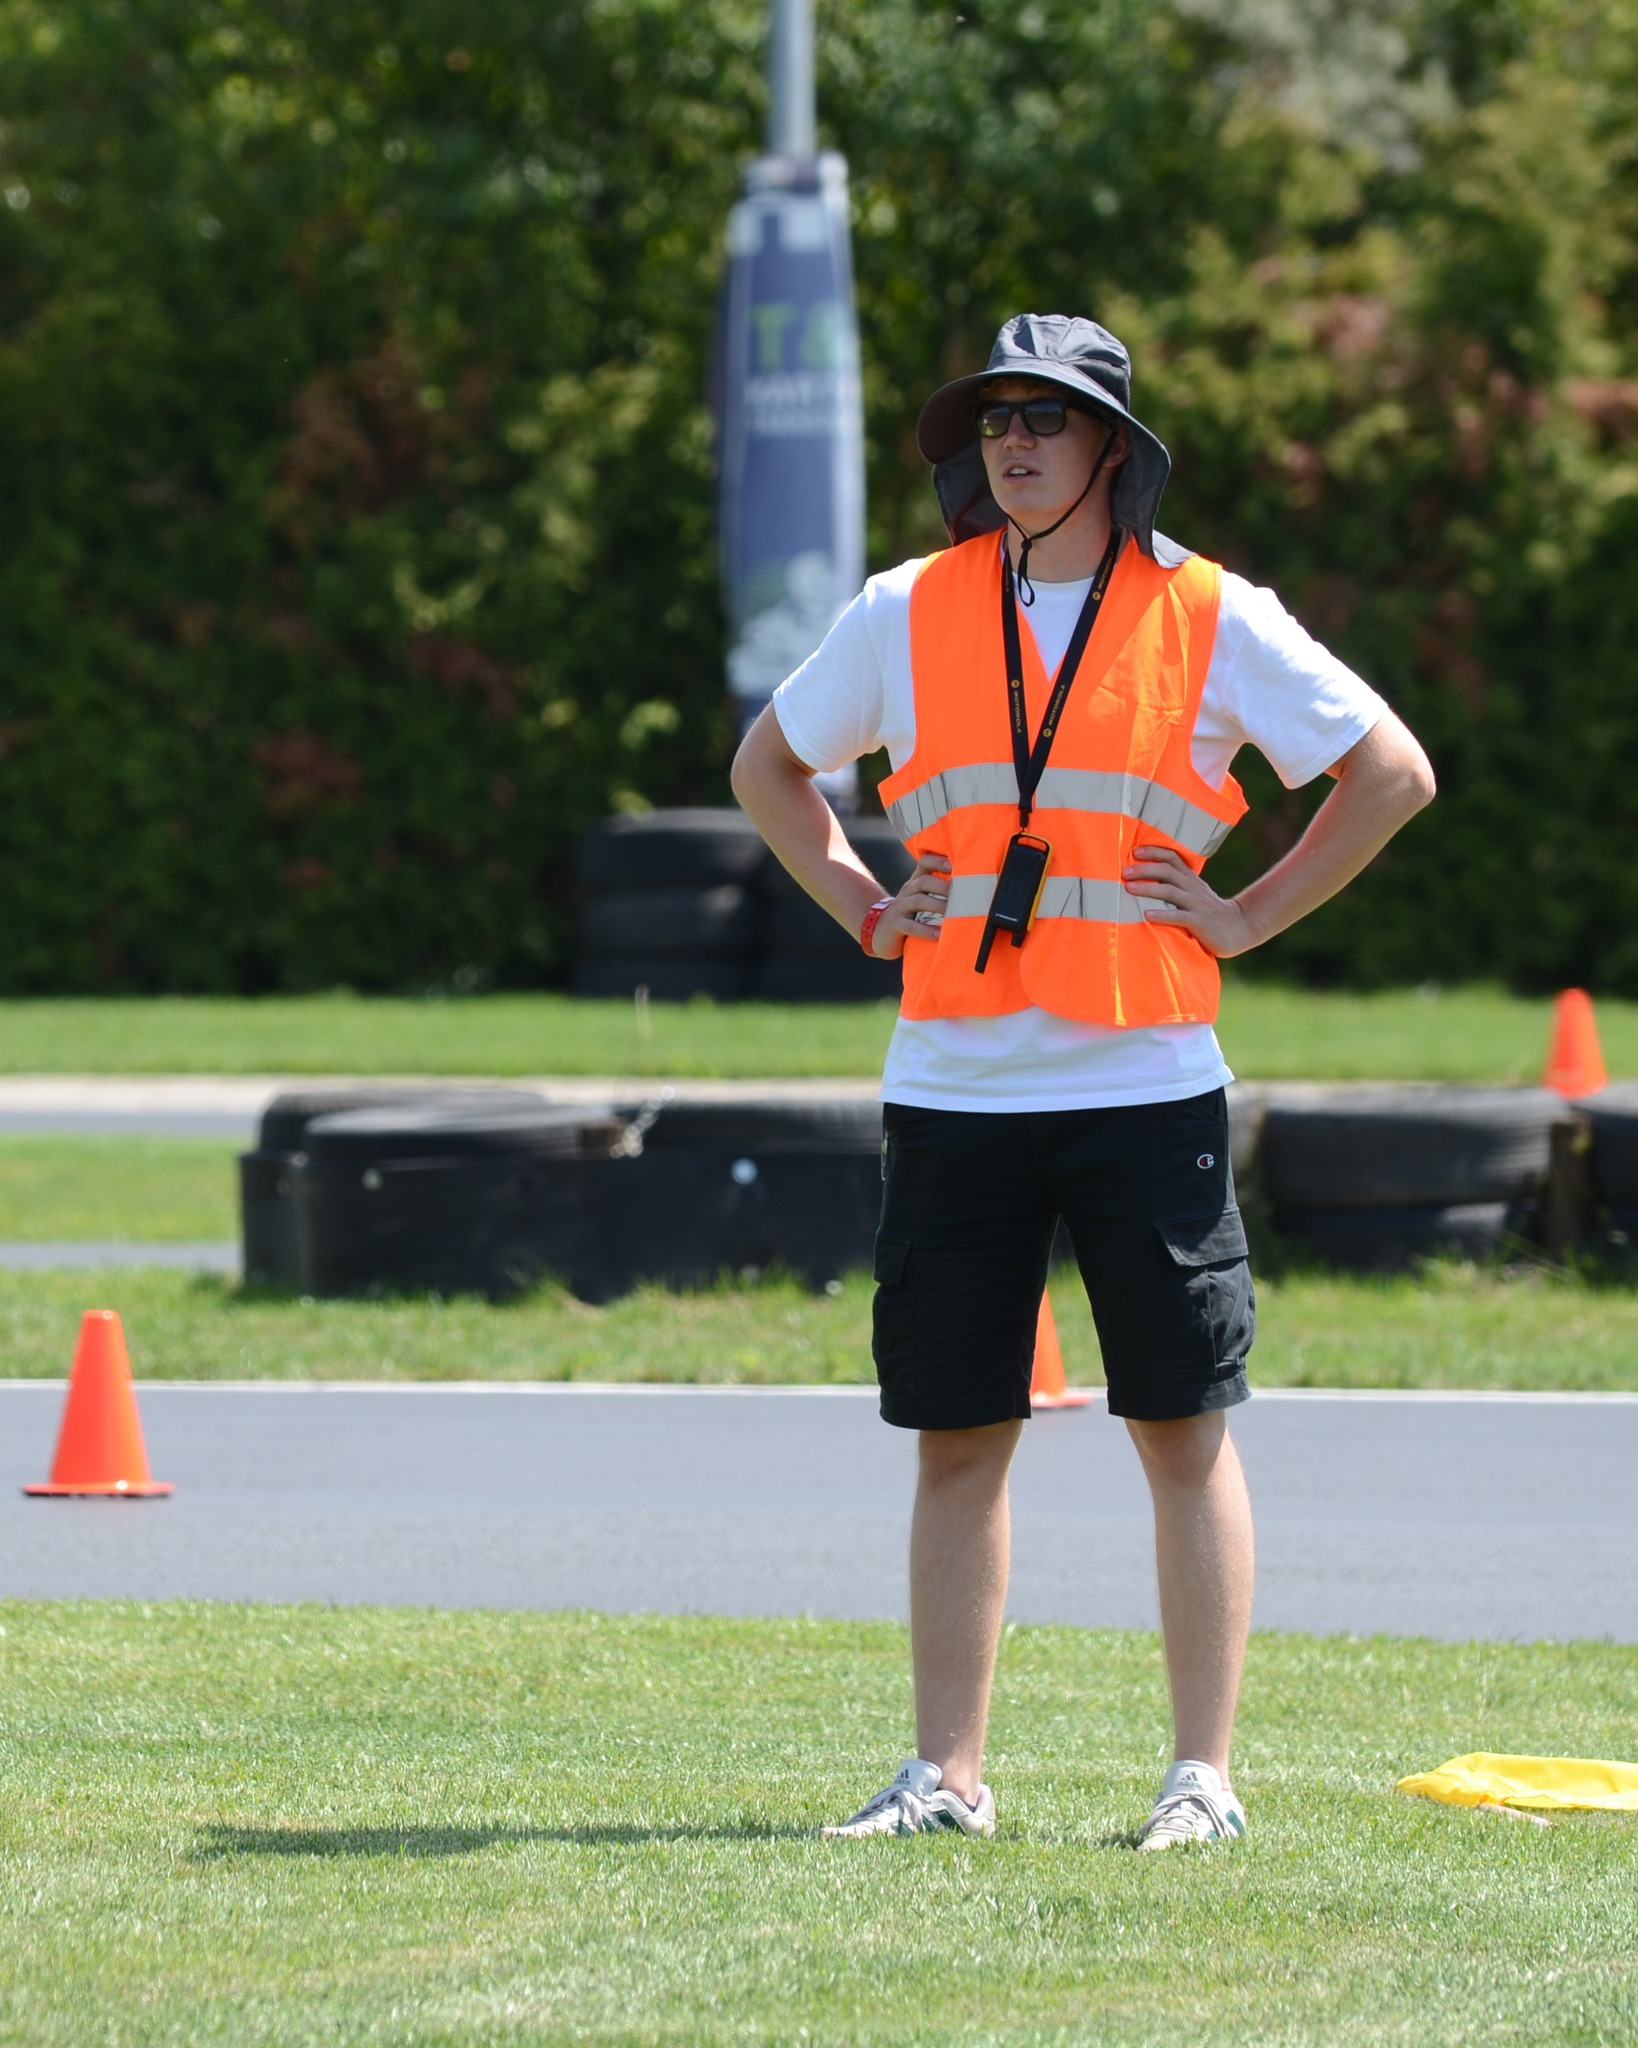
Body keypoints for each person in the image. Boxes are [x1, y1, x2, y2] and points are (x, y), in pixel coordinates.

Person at [730, 313, 1435, 1849]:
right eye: (990, 422)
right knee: (956, 1437)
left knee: (1180, 1432)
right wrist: (861, 902)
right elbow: (765, 769)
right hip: (954, 1084)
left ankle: (1202, 1781)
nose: (1011, 444)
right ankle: (946, 1781)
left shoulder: (1210, 611)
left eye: (1043, 419)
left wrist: (1247, 913)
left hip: (1144, 1083)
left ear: (1112, 446)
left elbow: (1391, 770)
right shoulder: (904, 608)